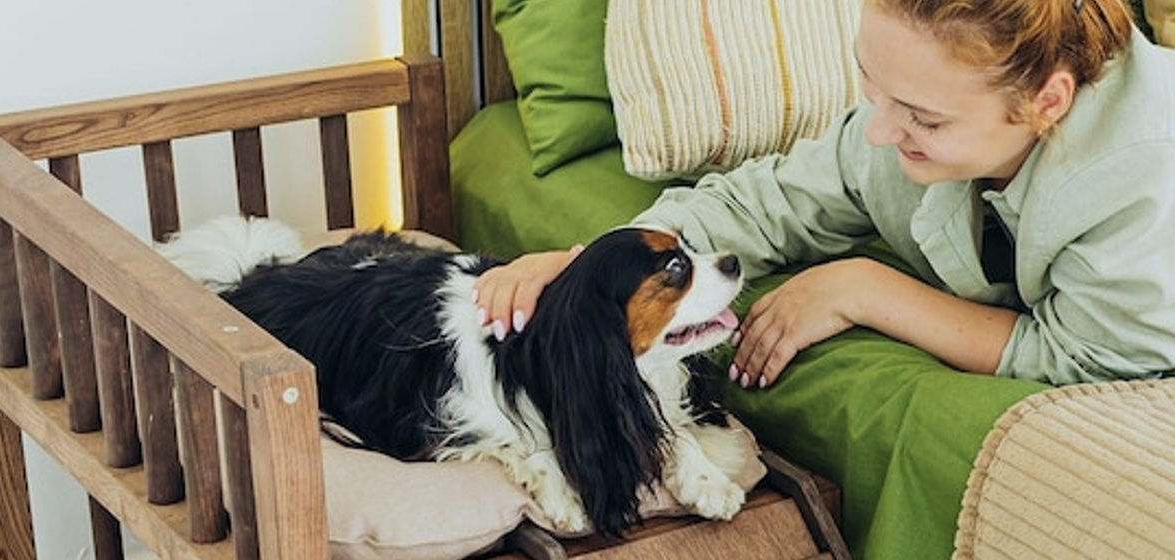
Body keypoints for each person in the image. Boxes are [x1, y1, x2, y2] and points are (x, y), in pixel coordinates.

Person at [473, 0, 1175, 390]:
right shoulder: (897, 128)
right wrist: (587, 264)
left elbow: (1086, 357)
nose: (876, 130)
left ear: (1045, 101)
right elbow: (762, 203)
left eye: (923, 118)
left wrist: (864, 289)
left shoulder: (1142, 171)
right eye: (871, 87)